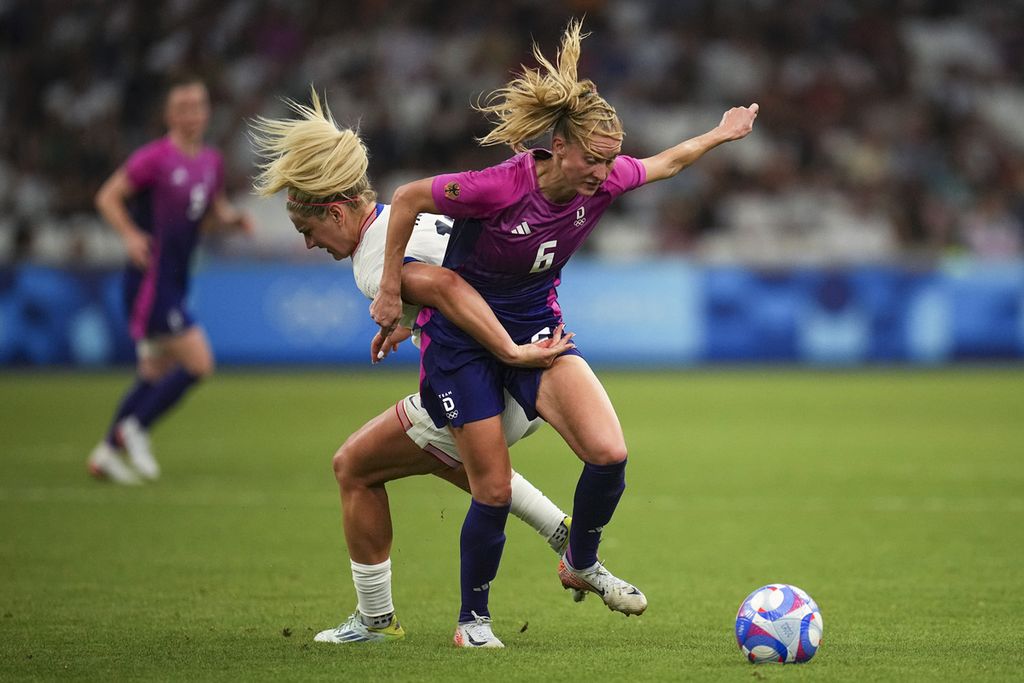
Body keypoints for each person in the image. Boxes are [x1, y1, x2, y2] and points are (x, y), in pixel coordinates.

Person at [371, 19, 759, 648]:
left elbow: (666, 162)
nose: (606, 173)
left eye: (612, 160)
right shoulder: (500, 186)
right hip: (463, 346)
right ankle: (472, 623)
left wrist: (721, 132)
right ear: (559, 146)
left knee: (609, 454)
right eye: (595, 159)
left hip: (539, 337)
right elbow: (410, 196)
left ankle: (578, 561)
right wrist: (392, 288)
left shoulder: (603, 181)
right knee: (492, 490)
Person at [249, 90, 579, 644]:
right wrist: (405, 323)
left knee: (354, 466)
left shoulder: (375, 261)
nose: (309, 245)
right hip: (532, 375)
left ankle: (377, 622)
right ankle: (561, 532)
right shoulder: (408, 228)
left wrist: (506, 351)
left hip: (494, 375)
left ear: (334, 211)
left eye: (309, 232)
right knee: (447, 460)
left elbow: (447, 286)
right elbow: (453, 278)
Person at [87, 76, 253, 484]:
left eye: (198, 106)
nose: (192, 115)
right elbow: (107, 196)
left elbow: (210, 212)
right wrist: (128, 234)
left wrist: (232, 221)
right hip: (150, 282)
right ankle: (134, 429)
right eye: (183, 108)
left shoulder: (211, 161)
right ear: (169, 114)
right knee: (199, 363)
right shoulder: (154, 159)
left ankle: (106, 451)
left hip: (177, 280)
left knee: (155, 371)